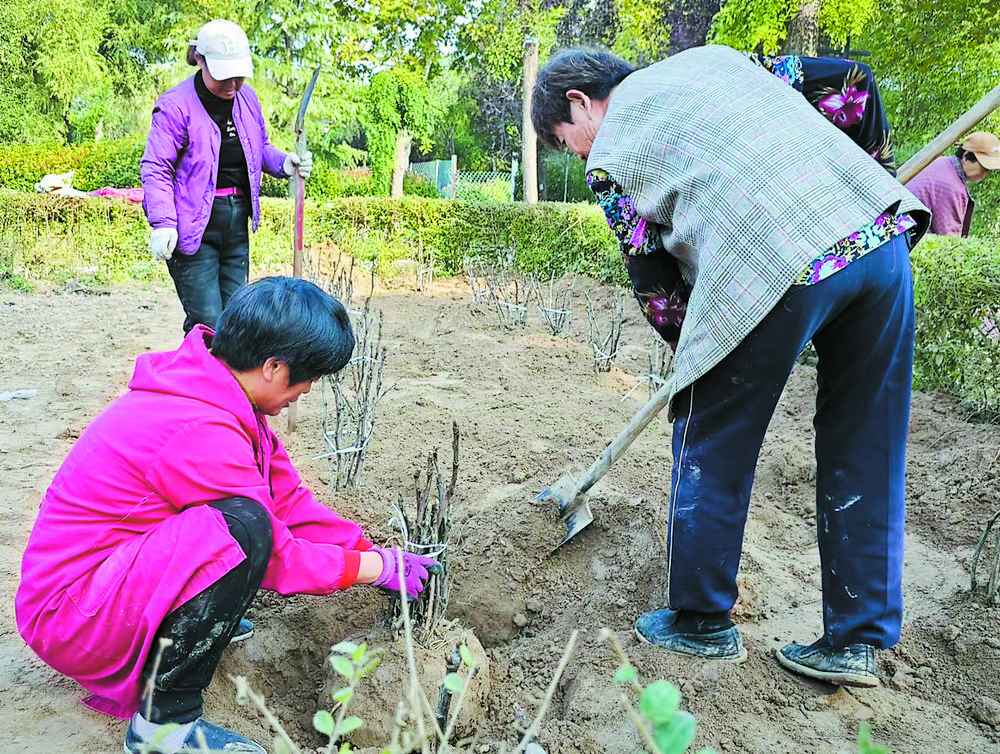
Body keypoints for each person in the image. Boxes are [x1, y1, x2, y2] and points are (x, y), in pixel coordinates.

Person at [532, 46, 930, 687]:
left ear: (579, 103)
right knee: (868, 441)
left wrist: (691, 359)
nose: (579, 155)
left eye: (566, 141)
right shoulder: (722, 61)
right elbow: (853, 79)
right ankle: (855, 641)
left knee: (706, 430)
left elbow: (655, 280)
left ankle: (700, 620)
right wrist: (869, 171)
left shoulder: (613, 157)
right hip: (877, 240)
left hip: (770, 262)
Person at [15, 277, 439, 754]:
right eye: (309, 379)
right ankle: (164, 727)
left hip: (106, 582)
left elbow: (289, 500)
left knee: (248, 521)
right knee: (244, 529)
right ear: (274, 367)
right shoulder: (199, 426)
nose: (306, 392)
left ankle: (177, 623)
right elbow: (277, 554)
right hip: (73, 618)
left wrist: (365, 549)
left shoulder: (223, 392)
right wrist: (374, 570)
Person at [141, 19, 314, 334]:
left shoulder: (248, 99)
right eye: (224, 77)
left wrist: (284, 163)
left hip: (236, 224)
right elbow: (156, 167)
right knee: (208, 324)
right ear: (200, 60)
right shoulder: (175, 106)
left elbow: (258, 147)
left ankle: (226, 384)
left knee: (237, 322)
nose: (233, 84)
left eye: (238, 76)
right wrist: (163, 222)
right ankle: (198, 382)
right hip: (194, 228)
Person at [904, 130, 1000, 236]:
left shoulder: (942, 162)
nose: (985, 173)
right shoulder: (952, 187)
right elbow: (949, 237)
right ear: (966, 157)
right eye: (984, 167)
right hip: (905, 236)